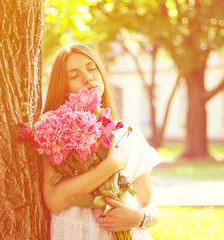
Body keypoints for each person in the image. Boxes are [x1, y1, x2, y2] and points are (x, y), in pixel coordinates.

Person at [41, 43, 162, 240]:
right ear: (64, 89)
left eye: (91, 68)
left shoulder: (129, 134)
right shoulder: (53, 128)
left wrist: (137, 218)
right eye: (74, 75)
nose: (87, 78)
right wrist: (110, 166)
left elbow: (152, 208)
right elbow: (54, 201)